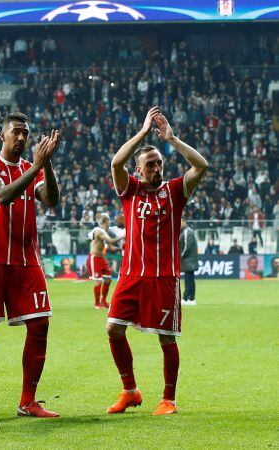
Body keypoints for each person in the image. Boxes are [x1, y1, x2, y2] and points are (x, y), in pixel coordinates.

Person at [106, 106, 208, 416]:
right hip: (131, 276)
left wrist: (171, 139)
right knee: (113, 329)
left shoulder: (175, 191)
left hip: (164, 277)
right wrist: (142, 133)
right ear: (138, 169)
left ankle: (169, 400)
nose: (156, 168)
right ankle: (130, 391)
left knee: (166, 338)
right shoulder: (130, 190)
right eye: (150, 164)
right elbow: (115, 162)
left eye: (159, 163)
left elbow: (201, 165)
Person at [0, 113, 62, 419]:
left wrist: (47, 164)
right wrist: (36, 166)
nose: (21, 137)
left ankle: (28, 401)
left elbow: (51, 200)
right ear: (2, 135)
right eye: (16, 132)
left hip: (26, 260)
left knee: (40, 324)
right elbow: (2, 196)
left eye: (25, 133)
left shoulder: (34, 169)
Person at [87, 214, 123, 309]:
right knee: (98, 281)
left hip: (102, 258)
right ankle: (97, 303)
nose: (110, 222)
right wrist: (123, 236)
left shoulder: (104, 232)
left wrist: (121, 249)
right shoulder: (99, 231)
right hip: (94, 258)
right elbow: (110, 240)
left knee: (108, 279)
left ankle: (103, 302)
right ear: (106, 221)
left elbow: (111, 247)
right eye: (108, 221)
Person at [179, 219, 199, 306]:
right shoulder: (187, 231)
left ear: (184, 222)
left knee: (188, 281)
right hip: (190, 261)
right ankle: (192, 298)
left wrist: (181, 257)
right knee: (191, 280)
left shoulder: (187, 232)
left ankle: (186, 298)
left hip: (188, 261)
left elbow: (187, 246)